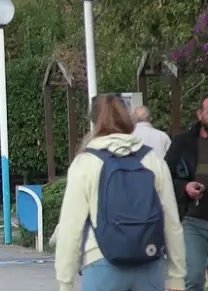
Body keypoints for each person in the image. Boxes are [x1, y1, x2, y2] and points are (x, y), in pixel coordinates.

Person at [54, 95, 185, 291]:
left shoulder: (85, 163)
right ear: (128, 117)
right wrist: (177, 276)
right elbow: (172, 222)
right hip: (149, 260)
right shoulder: (153, 159)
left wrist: (65, 281)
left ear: (93, 121)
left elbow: (71, 226)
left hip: (101, 261)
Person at [166, 94, 208, 290]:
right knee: (194, 278)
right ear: (200, 114)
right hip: (193, 220)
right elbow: (164, 178)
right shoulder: (182, 143)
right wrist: (185, 187)